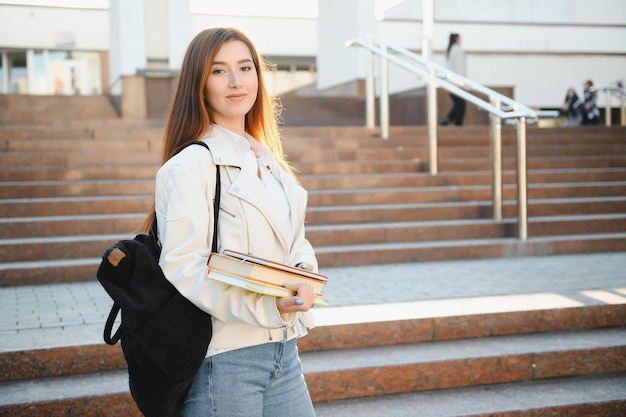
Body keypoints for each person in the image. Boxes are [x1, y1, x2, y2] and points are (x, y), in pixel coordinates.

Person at [139, 27, 318, 417]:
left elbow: (296, 242)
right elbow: (184, 268)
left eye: (245, 67)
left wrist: (304, 272)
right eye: (219, 71)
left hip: (284, 356)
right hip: (225, 362)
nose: (237, 81)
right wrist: (272, 305)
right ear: (199, 85)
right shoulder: (191, 165)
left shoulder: (268, 162)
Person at [439, 33, 467, 126]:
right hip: (457, 82)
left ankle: (447, 120)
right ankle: (456, 124)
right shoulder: (458, 50)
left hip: (451, 82)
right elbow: (460, 68)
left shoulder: (450, 50)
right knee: (460, 105)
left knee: (458, 104)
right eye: (460, 39)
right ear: (456, 39)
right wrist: (461, 82)